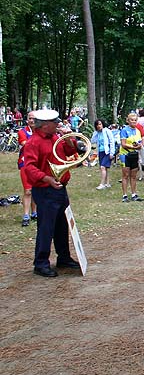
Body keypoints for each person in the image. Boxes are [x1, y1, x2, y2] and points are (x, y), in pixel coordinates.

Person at [22, 109, 81, 277]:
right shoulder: (33, 142)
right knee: (46, 227)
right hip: (45, 190)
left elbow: (70, 152)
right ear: (45, 125)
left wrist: (70, 138)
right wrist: (46, 178)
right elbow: (29, 168)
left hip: (60, 187)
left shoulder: (55, 137)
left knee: (63, 225)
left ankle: (64, 257)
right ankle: (40, 263)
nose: (58, 125)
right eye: (55, 122)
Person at [119, 113, 144, 202]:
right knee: (125, 175)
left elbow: (140, 142)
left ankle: (134, 194)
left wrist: (139, 146)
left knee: (133, 176)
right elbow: (123, 144)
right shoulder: (124, 130)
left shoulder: (137, 130)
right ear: (128, 120)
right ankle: (125, 195)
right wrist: (134, 147)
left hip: (134, 155)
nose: (133, 121)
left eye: (135, 120)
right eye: (131, 120)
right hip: (125, 155)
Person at [17, 111, 37, 226]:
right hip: (25, 163)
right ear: (27, 120)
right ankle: (26, 215)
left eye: (34, 118)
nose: (32, 120)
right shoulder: (22, 132)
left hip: (37, 163)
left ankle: (34, 212)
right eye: (30, 118)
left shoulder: (40, 131)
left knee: (36, 189)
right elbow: (25, 143)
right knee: (28, 190)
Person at [90, 119, 116, 190]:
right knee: (105, 168)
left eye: (100, 124)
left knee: (103, 167)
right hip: (100, 152)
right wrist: (95, 132)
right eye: (97, 125)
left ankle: (102, 184)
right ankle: (107, 183)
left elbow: (112, 142)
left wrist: (112, 153)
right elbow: (93, 141)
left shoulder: (107, 131)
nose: (99, 126)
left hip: (107, 152)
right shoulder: (97, 133)